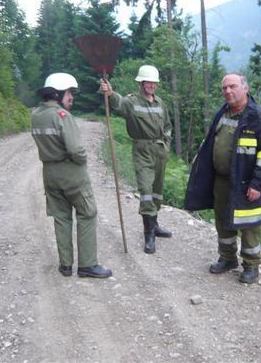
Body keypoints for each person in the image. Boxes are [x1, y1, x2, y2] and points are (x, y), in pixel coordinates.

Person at [184, 73, 261, 284]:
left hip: (247, 184)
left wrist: (257, 183)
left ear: (245, 88)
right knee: (223, 221)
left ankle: (251, 266)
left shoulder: (258, 117)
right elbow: (211, 141)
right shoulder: (223, 113)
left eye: (232, 86)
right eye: (224, 88)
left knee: (250, 225)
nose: (228, 91)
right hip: (222, 181)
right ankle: (227, 258)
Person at [31, 72, 112, 278]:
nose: (72, 98)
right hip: (70, 172)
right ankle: (87, 265)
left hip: (49, 172)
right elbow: (76, 150)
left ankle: (65, 265)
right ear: (57, 94)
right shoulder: (63, 116)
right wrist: (82, 160)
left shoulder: (36, 115)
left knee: (61, 217)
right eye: (68, 93)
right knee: (87, 212)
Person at [100, 65, 172, 254]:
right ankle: (148, 234)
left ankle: (155, 225)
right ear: (141, 83)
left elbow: (167, 125)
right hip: (142, 150)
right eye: (148, 82)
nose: (151, 85)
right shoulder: (132, 101)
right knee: (146, 190)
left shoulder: (160, 103)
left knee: (157, 191)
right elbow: (118, 103)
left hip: (159, 150)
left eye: (153, 82)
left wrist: (167, 141)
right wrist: (109, 91)